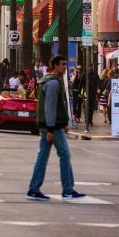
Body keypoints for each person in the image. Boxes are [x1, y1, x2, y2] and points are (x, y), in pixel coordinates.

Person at [26, 55, 85, 201]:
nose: (64, 67)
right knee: (65, 155)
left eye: (65, 64)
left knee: (43, 157)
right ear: (54, 66)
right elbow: (50, 107)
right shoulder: (53, 83)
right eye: (62, 65)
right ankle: (68, 190)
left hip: (51, 125)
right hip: (52, 126)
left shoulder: (50, 81)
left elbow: (56, 106)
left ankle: (34, 189)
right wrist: (51, 129)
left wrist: (63, 123)